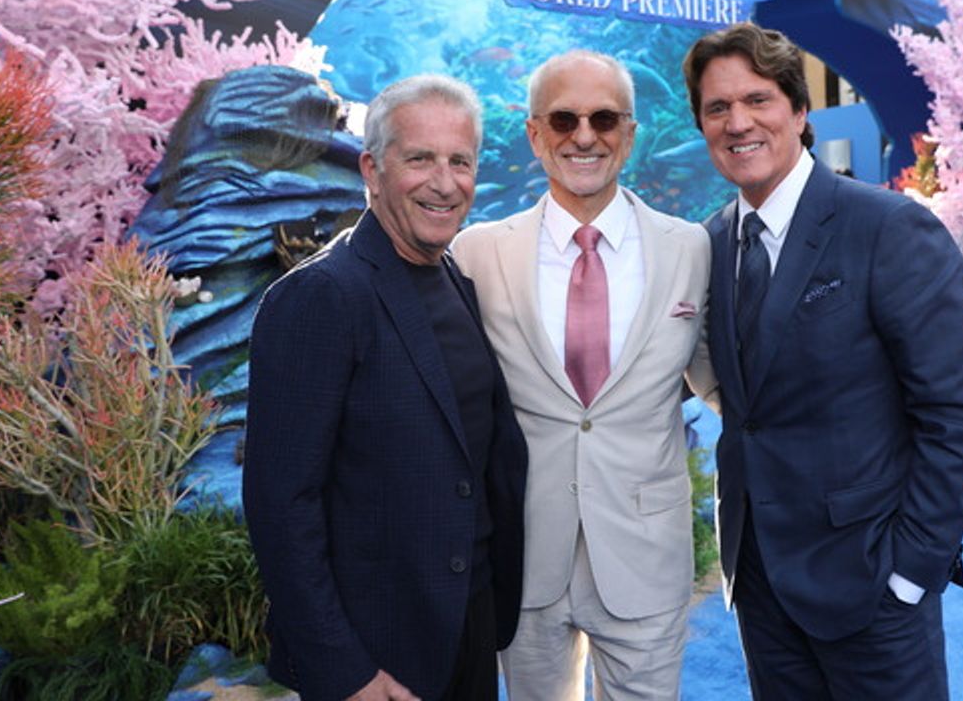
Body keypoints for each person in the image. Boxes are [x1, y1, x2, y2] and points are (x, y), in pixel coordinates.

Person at [681, 22, 963, 700]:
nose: (738, 122)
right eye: (717, 107)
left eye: (758, 100)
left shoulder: (887, 228)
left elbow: (960, 416)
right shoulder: (708, 244)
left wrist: (910, 571)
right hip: (760, 582)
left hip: (872, 582)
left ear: (800, 111)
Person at [243, 74, 528, 701]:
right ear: (372, 169)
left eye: (460, 162)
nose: (444, 182)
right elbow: (280, 505)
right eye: (420, 159)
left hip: (465, 626)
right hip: (377, 657)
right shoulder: (321, 295)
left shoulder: (455, 279)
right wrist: (344, 671)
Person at [451, 50, 718, 701]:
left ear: (629, 132)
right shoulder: (478, 253)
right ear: (534, 133)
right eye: (564, 119)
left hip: (646, 555)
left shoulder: (689, 248)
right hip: (526, 556)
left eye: (604, 118)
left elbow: (719, 383)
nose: (584, 136)